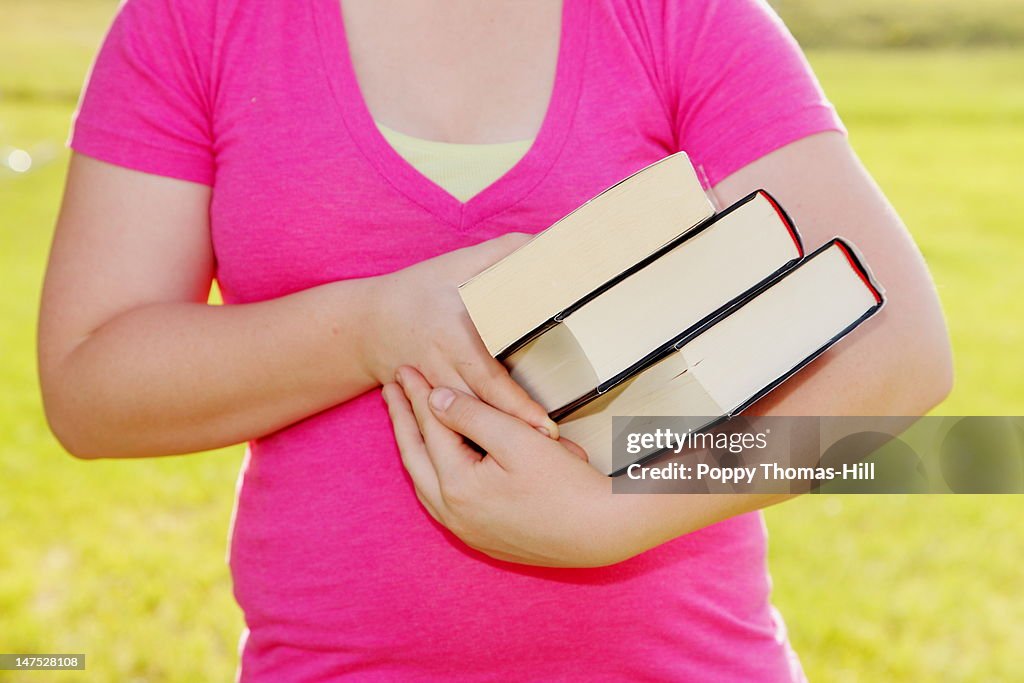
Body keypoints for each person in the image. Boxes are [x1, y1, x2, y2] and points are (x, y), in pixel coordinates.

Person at [38, 0, 952, 680]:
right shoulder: (194, 25)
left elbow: (902, 353)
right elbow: (89, 382)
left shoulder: (678, 16)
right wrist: (372, 329)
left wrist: (611, 515)